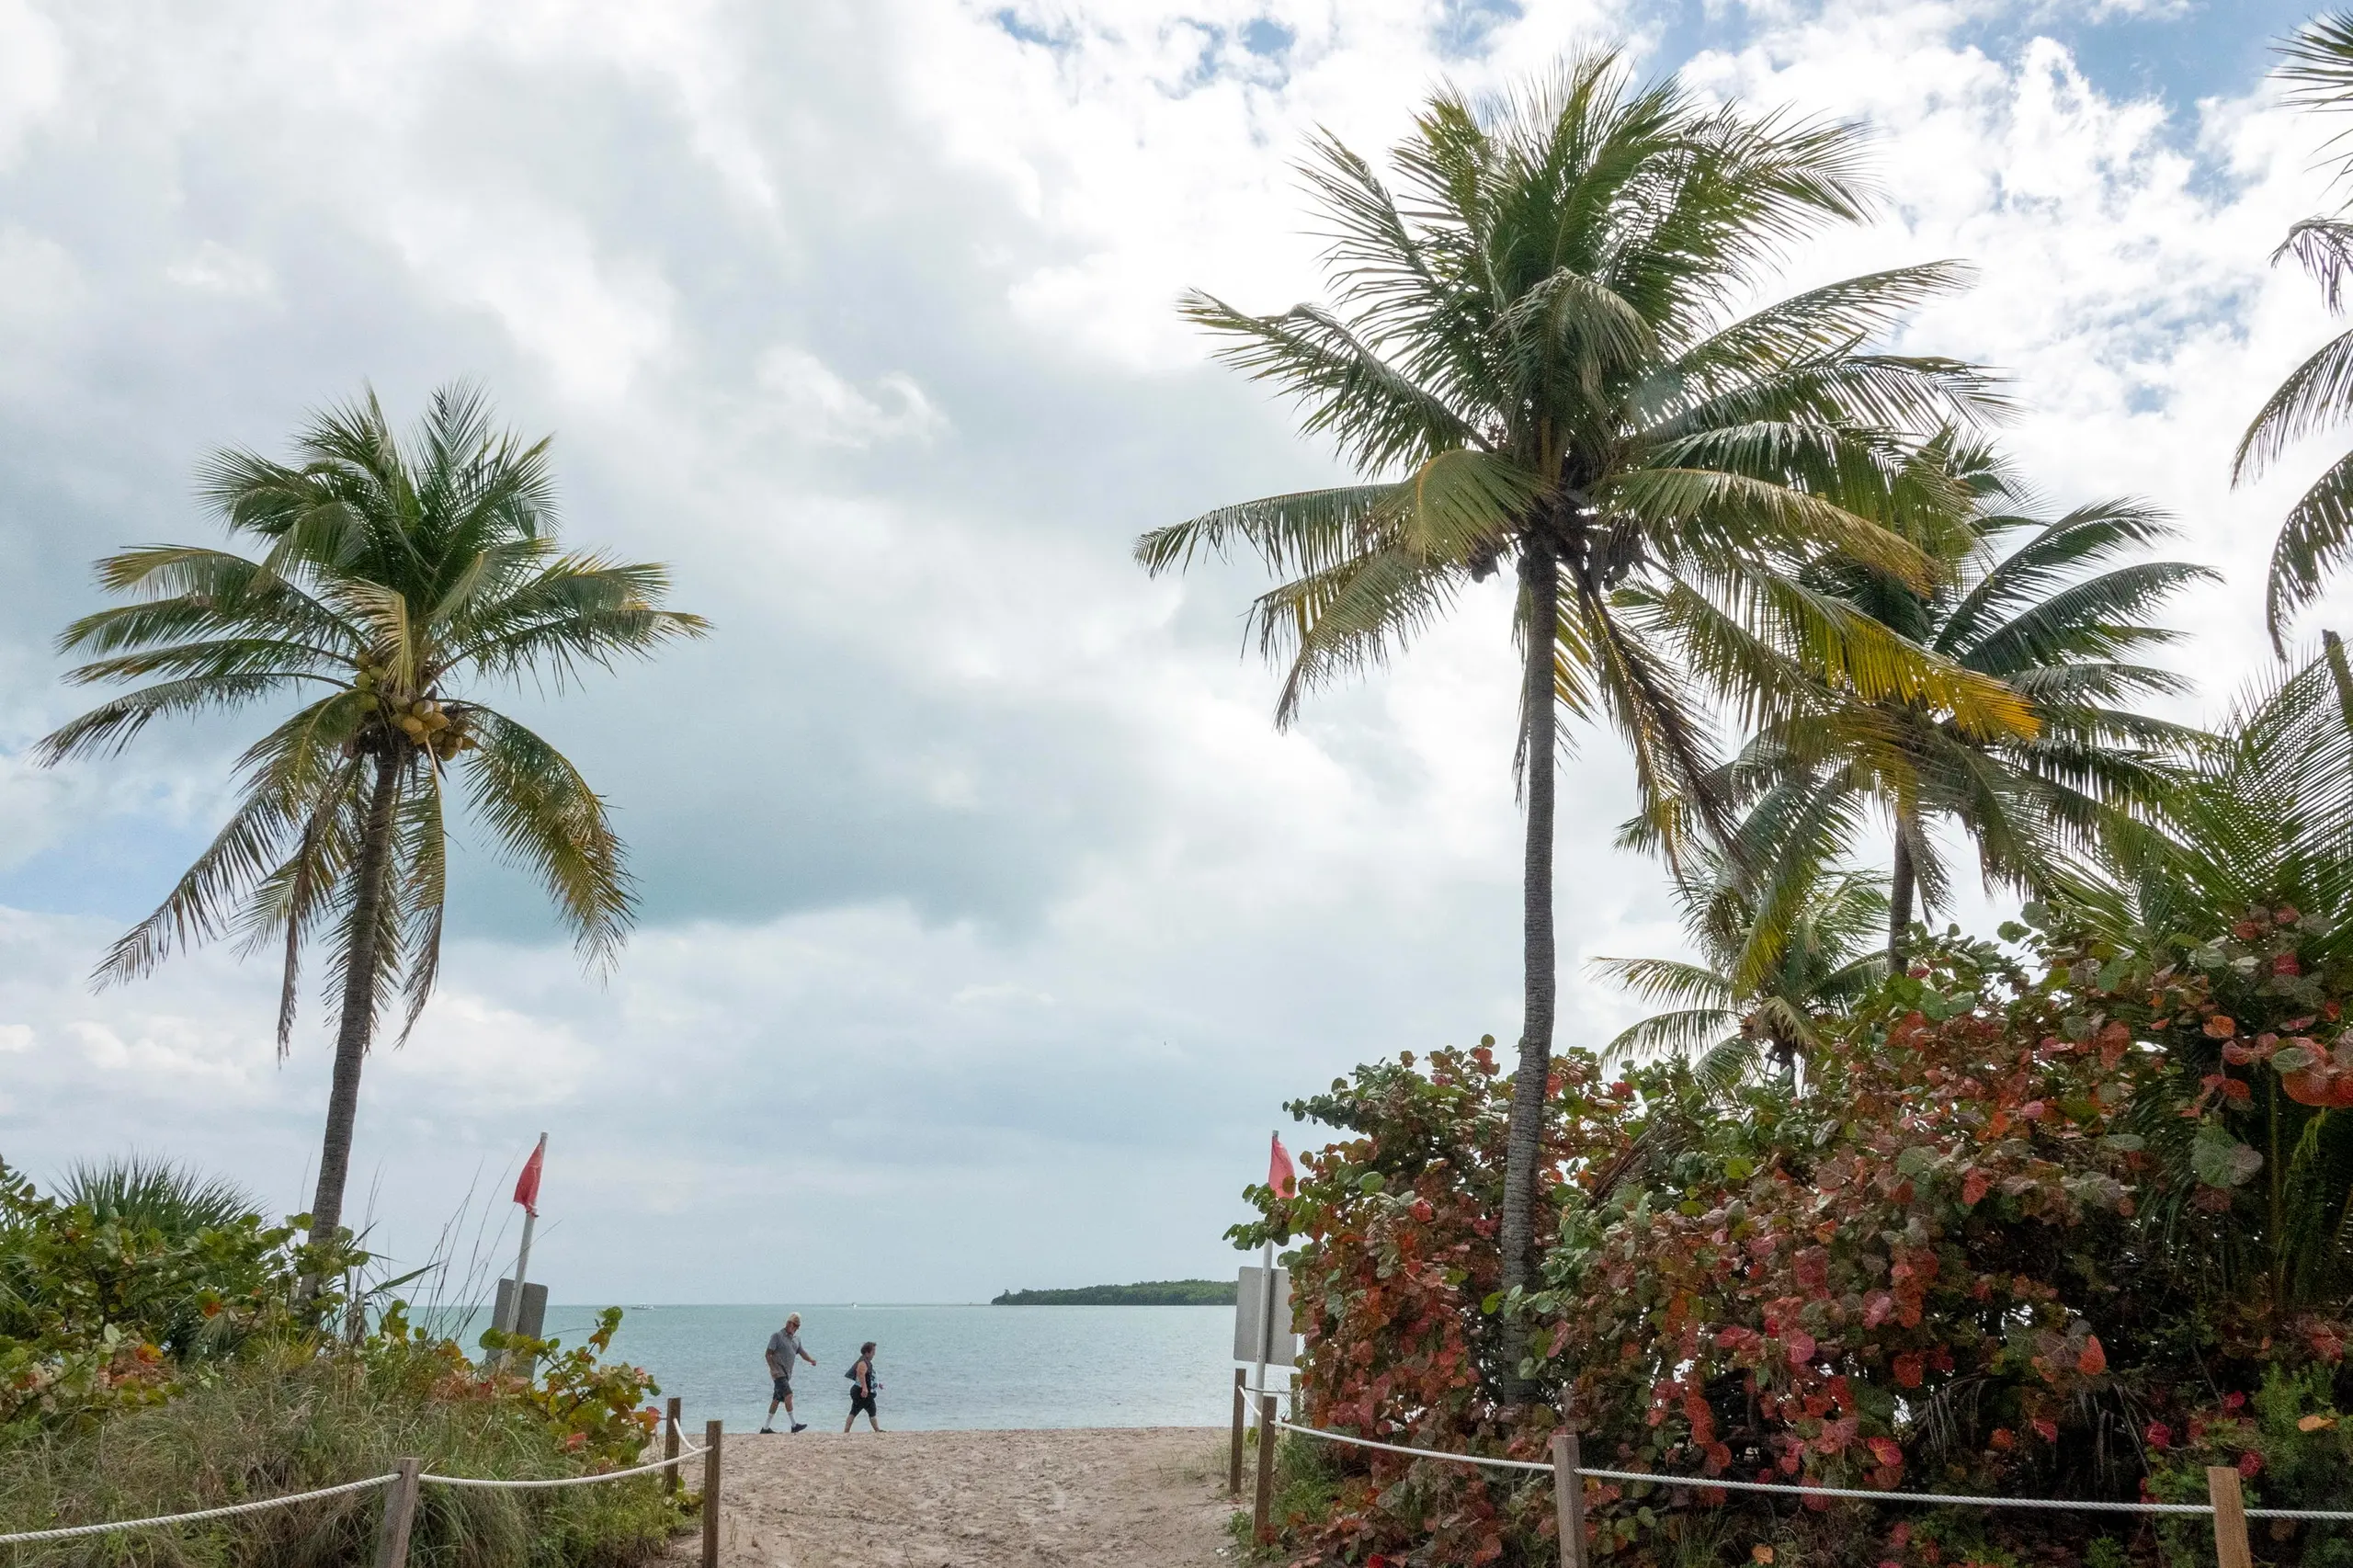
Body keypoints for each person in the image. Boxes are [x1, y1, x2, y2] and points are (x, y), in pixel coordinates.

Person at [760, 1312, 816, 1434]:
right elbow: (768, 1354)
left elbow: (802, 1352)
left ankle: (765, 1428)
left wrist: (811, 1360)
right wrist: (773, 1369)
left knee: (776, 1399)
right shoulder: (777, 1336)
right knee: (789, 1395)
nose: (793, 1328)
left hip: (787, 1374)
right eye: (792, 1324)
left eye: (796, 1326)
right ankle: (794, 1425)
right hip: (778, 1373)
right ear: (788, 1324)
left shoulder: (797, 1339)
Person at [843, 1340, 881, 1432]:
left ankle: (846, 1431)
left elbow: (870, 1377)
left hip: (859, 1390)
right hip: (861, 1391)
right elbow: (861, 1374)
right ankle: (877, 1430)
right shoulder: (863, 1362)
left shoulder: (866, 1361)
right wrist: (864, 1388)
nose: (874, 1354)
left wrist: (878, 1384)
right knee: (871, 1409)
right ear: (867, 1353)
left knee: (855, 1410)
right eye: (873, 1352)